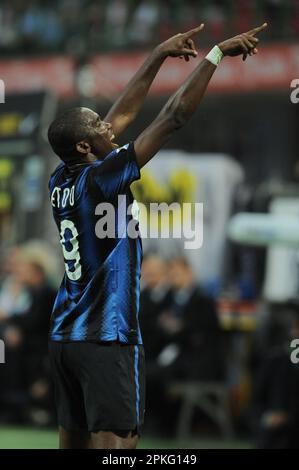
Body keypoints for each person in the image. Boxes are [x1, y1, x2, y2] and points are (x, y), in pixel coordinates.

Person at [47, 22, 267, 449]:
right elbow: (173, 117)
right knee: (117, 450)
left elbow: (121, 115)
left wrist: (157, 55)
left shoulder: (63, 175)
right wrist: (215, 55)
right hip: (107, 335)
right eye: (98, 127)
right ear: (84, 148)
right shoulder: (101, 179)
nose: (109, 127)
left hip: (66, 338)